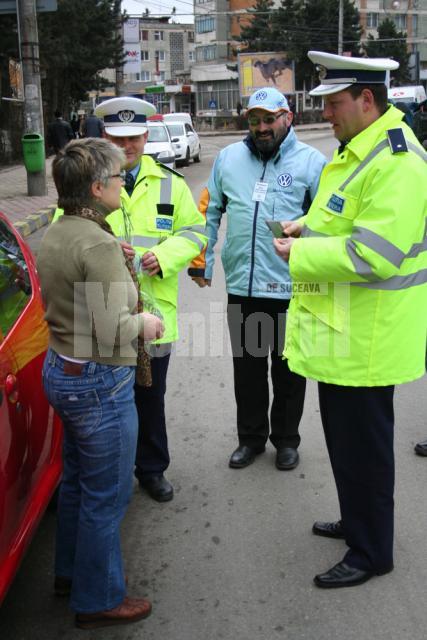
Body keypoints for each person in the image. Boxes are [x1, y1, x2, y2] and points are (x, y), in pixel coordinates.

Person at [274, 51, 427, 588]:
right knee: (345, 444)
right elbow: (339, 223)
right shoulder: (357, 152)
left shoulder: (397, 162)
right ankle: (357, 520)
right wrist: (303, 229)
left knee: (365, 451)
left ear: (367, 100)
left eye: (334, 104)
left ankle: (371, 553)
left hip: (369, 340)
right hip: (344, 334)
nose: (327, 115)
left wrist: (300, 255)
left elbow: (374, 255)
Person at [38, 138, 163, 627]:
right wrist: (148, 325)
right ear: (95, 188)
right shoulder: (98, 242)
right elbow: (115, 326)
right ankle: (98, 598)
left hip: (63, 370)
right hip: (98, 381)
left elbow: (80, 288)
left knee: (77, 484)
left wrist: (114, 258)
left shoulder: (62, 230)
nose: (122, 184)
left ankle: (71, 572)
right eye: (116, 178)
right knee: (107, 495)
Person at [189, 87, 326, 471]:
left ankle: (286, 440)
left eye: (269, 119)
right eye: (255, 120)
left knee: (288, 370)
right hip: (244, 286)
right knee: (247, 370)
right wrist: (203, 263)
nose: (262, 128)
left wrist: (307, 242)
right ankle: (250, 439)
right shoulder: (229, 159)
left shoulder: (312, 162)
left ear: (288, 118)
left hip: (290, 287)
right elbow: (209, 211)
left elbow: (330, 223)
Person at [91, 96, 207, 502]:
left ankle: (152, 468)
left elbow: (196, 232)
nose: (128, 147)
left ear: (147, 134)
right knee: (108, 404)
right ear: (104, 136)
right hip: (104, 315)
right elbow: (66, 234)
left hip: (154, 313)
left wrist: (167, 256)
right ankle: (113, 474)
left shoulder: (170, 184)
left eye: (135, 137)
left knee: (150, 397)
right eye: (118, 138)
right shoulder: (88, 184)